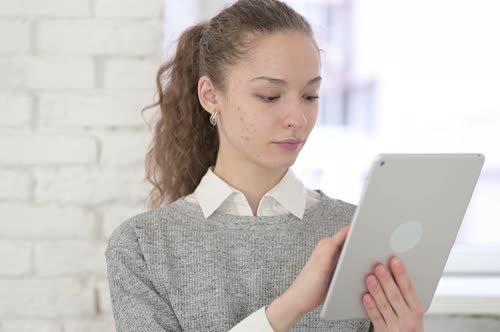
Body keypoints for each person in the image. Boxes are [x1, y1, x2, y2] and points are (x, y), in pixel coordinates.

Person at [104, 0, 425, 331]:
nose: (297, 119)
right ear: (210, 95)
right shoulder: (142, 246)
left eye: (310, 96)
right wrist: (290, 306)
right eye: (270, 96)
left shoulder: (359, 234)